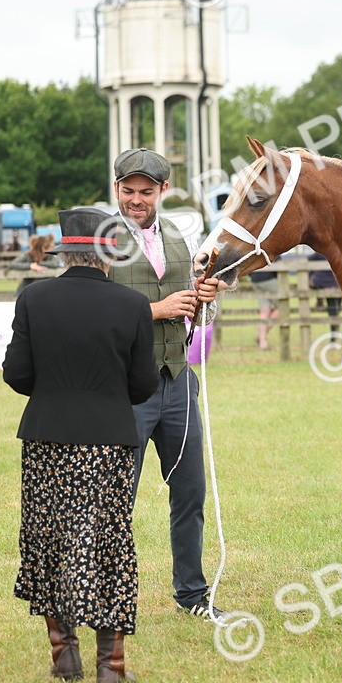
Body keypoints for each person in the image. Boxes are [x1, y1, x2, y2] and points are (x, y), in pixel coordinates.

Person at [2, 208, 158, 683]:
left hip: (47, 438)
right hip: (108, 440)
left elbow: (17, 374)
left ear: (64, 253)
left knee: (50, 540)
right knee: (107, 544)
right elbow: (143, 384)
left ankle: (63, 656)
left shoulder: (33, 298)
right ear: (107, 255)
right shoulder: (132, 305)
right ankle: (110, 668)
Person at [108, 148, 228, 619]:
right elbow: (91, 313)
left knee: (190, 494)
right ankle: (111, 598)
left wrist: (205, 299)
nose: (136, 200)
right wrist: (154, 310)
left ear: (162, 191)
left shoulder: (180, 237)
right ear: (116, 188)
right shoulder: (101, 243)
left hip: (178, 381)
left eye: (146, 191)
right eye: (128, 190)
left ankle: (192, 596)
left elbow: (200, 315)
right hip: (125, 388)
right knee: (117, 498)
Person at [309, 251, 342, 344]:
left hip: (326, 284)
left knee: (334, 312)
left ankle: (335, 338)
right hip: (338, 284)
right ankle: (341, 338)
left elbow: (309, 259)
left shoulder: (320, 252)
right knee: (338, 310)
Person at [251, 266, 281, 351]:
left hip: (255, 280)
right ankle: (261, 336)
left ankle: (262, 341)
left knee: (264, 311)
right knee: (283, 308)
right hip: (270, 279)